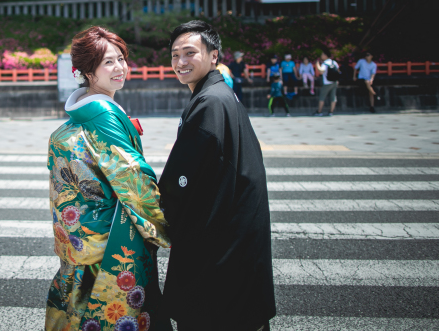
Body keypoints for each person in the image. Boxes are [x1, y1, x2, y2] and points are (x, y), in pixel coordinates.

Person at [45, 26, 171, 331]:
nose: (120, 68)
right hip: (111, 240)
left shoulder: (81, 113)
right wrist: (168, 226)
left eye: (121, 59)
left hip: (85, 237)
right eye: (108, 63)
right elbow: (133, 178)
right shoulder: (103, 113)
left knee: (82, 311)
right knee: (115, 313)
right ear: (87, 72)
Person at [159, 20, 276, 330]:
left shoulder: (209, 102)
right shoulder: (221, 94)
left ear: (214, 56)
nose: (180, 62)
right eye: (174, 55)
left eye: (189, 53)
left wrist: (156, 215)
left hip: (219, 246)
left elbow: (181, 180)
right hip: (237, 236)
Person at [314, 50, 340, 116]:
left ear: (325, 55)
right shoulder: (334, 62)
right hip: (334, 82)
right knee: (333, 97)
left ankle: (319, 112)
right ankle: (331, 112)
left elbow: (321, 71)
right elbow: (338, 71)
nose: (321, 56)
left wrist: (317, 64)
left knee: (322, 97)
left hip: (327, 83)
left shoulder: (325, 63)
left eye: (322, 54)